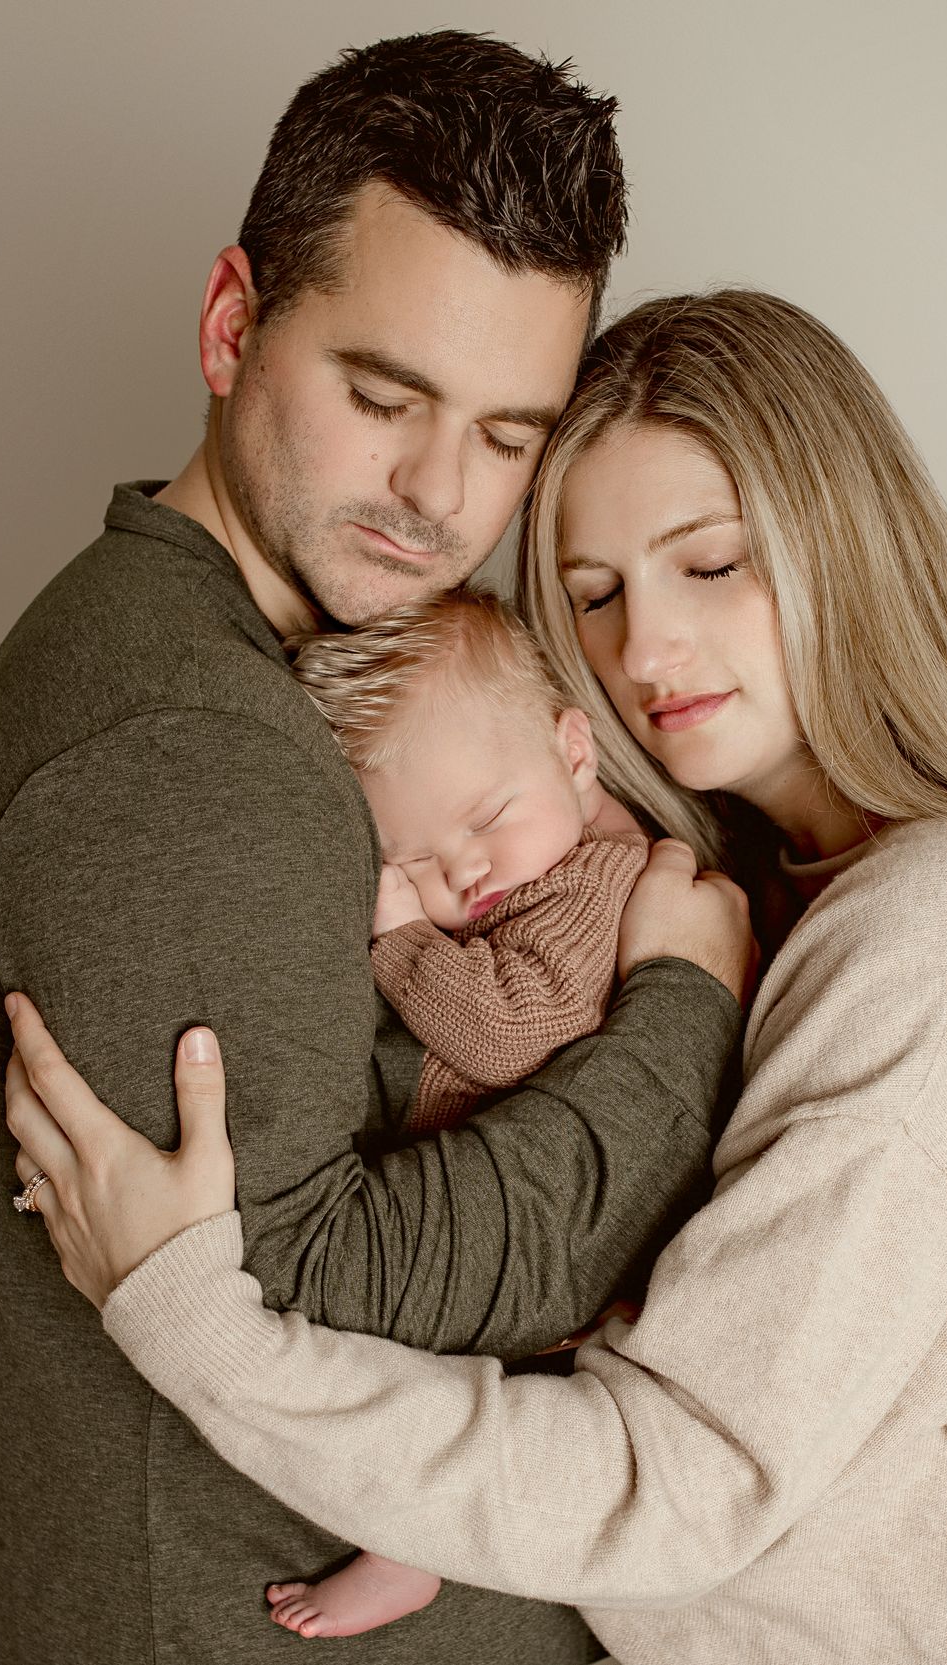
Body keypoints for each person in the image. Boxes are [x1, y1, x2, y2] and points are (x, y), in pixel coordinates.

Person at [1, 289, 947, 1663]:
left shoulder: (945, 930)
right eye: (593, 594)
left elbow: (682, 1476)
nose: (644, 653)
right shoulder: (738, 893)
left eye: (708, 565)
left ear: (844, 543)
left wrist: (196, 1323)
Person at [0, 34, 751, 1664]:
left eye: (511, 437)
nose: (441, 495)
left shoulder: (339, 701)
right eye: (385, 399)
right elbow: (319, 1293)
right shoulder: (191, 757)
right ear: (233, 324)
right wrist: (684, 1010)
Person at [270, 589, 656, 1635]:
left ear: (576, 753)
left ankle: (409, 1547)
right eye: (417, 864)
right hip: (500, 1208)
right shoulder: (547, 850)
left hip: (569, 1245)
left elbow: (507, 1033)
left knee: (442, 1399)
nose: (466, 872)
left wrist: (403, 940)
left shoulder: (595, 885)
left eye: (486, 820)